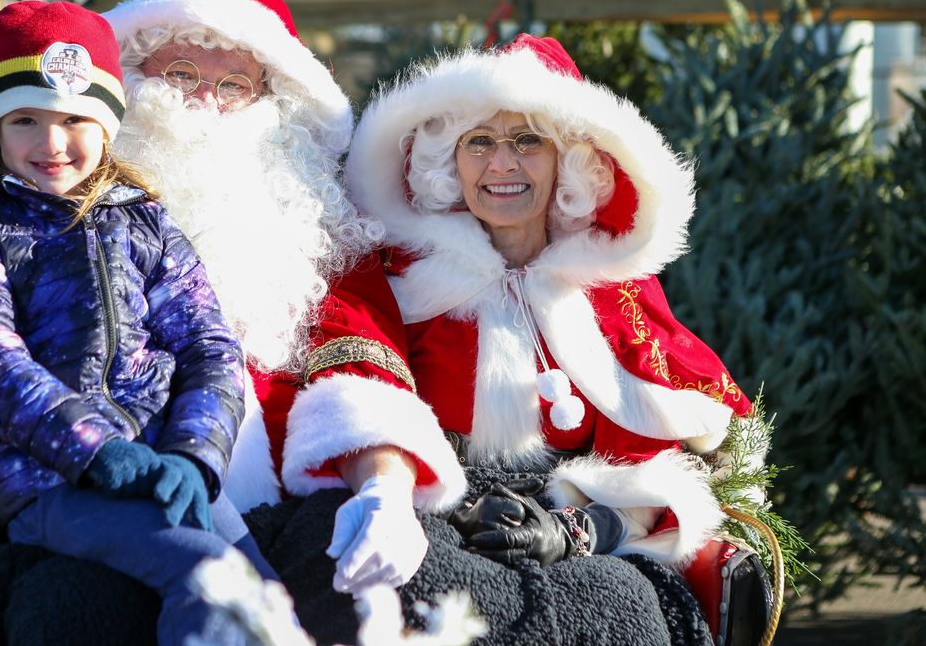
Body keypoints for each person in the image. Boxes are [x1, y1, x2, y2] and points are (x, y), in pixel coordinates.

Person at [0, 0, 457, 601]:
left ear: (273, 105)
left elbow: (364, 378)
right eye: (179, 75)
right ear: (128, 84)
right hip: (58, 512)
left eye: (234, 86)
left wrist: (385, 488)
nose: (205, 104)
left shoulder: (322, 234)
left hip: (270, 519)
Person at [0, 0, 268, 646]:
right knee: (210, 576)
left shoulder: (145, 220)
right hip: (50, 481)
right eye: (25, 120)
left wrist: (194, 456)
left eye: (74, 118)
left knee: (265, 594)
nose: (51, 142)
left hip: (161, 466)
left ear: (107, 122)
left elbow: (210, 345)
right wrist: (102, 453)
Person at [318, 32, 757, 568]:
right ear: (449, 161)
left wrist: (573, 530)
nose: (500, 164)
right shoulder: (396, 277)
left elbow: (649, 454)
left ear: (566, 162)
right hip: (431, 511)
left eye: (527, 141)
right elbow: (362, 394)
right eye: (478, 141)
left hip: (571, 530)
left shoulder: (611, 293)